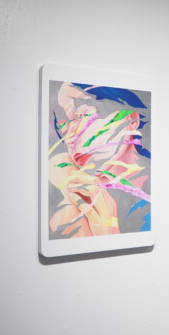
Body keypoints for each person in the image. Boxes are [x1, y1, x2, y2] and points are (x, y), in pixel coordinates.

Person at [48, 81, 151, 238]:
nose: (69, 139)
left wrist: (107, 229)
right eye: (64, 129)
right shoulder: (69, 189)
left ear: (131, 119)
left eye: (83, 117)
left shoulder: (163, 188)